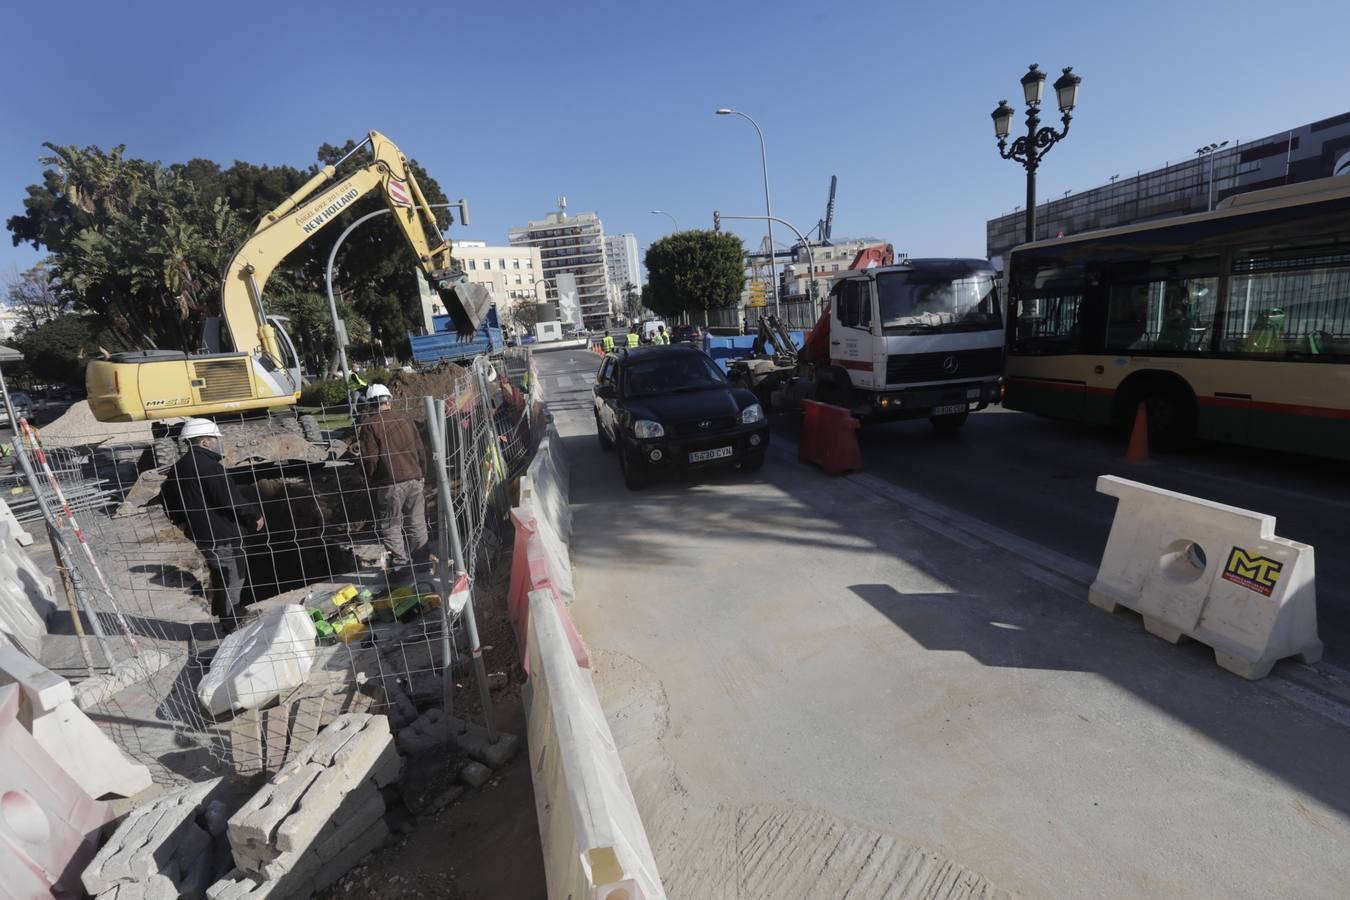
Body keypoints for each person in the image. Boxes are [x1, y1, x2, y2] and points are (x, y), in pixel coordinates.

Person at [161, 418, 264, 633]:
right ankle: (231, 622)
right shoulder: (209, 467)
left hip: (202, 534)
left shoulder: (179, 467)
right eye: (216, 438)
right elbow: (230, 499)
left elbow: (167, 497)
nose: (219, 442)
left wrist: (181, 522)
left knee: (221, 574)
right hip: (222, 534)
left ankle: (232, 612)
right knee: (233, 576)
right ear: (205, 442)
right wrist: (253, 515)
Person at [357, 384, 428, 580]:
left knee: (391, 525)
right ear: (389, 400)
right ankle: (422, 563)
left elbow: (370, 458)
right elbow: (420, 448)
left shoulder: (370, 425)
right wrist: (422, 472)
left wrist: (371, 478)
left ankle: (400, 566)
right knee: (417, 522)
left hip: (389, 482)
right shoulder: (405, 419)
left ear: (371, 404)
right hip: (414, 477)